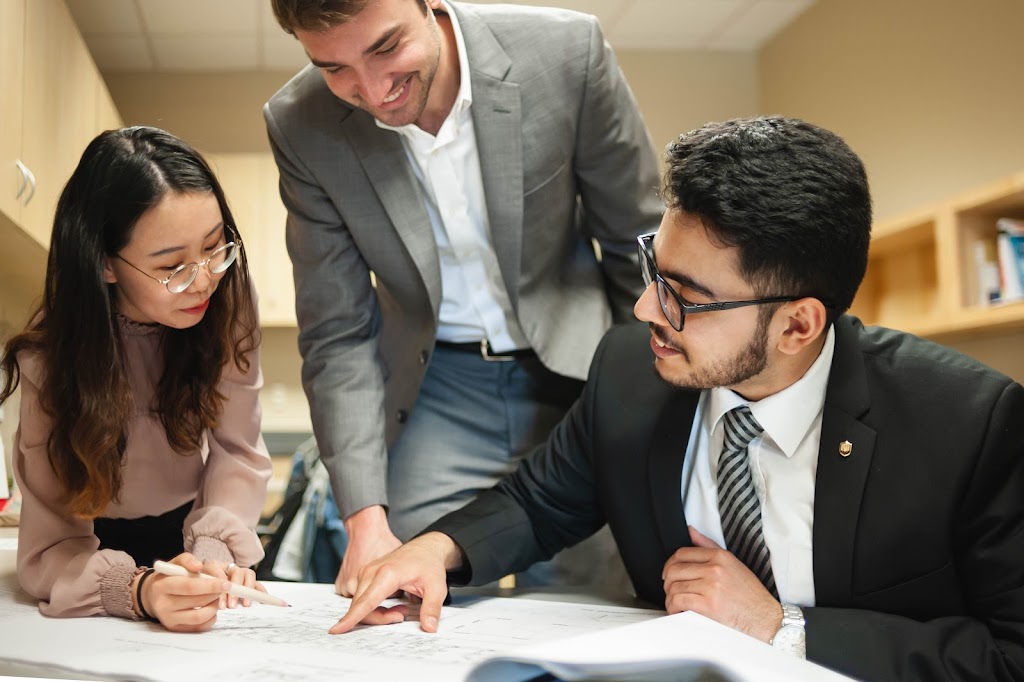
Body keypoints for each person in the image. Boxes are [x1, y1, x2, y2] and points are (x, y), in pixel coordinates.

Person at [329, 116, 1024, 681]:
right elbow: (538, 502)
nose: (642, 310)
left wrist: (781, 629)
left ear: (798, 324)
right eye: (652, 272)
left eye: (683, 297)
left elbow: (1010, 653)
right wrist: (438, 549)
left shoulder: (970, 424)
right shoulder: (631, 371)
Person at [263, 0, 663, 595]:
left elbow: (638, 244)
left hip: (578, 372)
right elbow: (336, 333)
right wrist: (364, 520)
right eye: (334, 68)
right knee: (410, 601)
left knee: (585, 607)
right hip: (436, 390)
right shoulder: (300, 123)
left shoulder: (565, 53)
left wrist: (649, 401)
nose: (372, 92)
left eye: (385, 48)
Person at [0, 127, 274, 633]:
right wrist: (137, 590)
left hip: (192, 525)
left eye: (216, 246)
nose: (206, 278)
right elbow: (51, 546)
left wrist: (212, 551)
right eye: (173, 266)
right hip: (84, 549)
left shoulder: (227, 299)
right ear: (104, 263)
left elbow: (238, 447)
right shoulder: (50, 355)